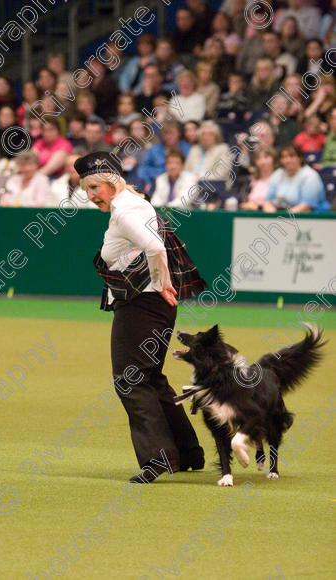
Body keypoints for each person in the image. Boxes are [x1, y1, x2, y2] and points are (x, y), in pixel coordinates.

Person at [75, 151, 206, 482]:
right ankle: (187, 453)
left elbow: (155, 247)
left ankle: (157, 459)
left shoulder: (123, 211)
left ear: (112, 180)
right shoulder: (136, 203)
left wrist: (162, 284)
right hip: (151, 306)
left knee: (130, 380)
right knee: (150, 378)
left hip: (141, 305)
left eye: (94, 187)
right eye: (86, 190)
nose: (91, 196)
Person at [263, 144, 326, 212]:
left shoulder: (310, 176)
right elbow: (268, 201)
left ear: (300, 158)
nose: (287, 160)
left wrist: (282, 217)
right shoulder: (277, 174)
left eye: (292, 156)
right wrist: (271, 213)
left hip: (310, 218)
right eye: (284, 157)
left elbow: (306, 206)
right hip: (282, 215)